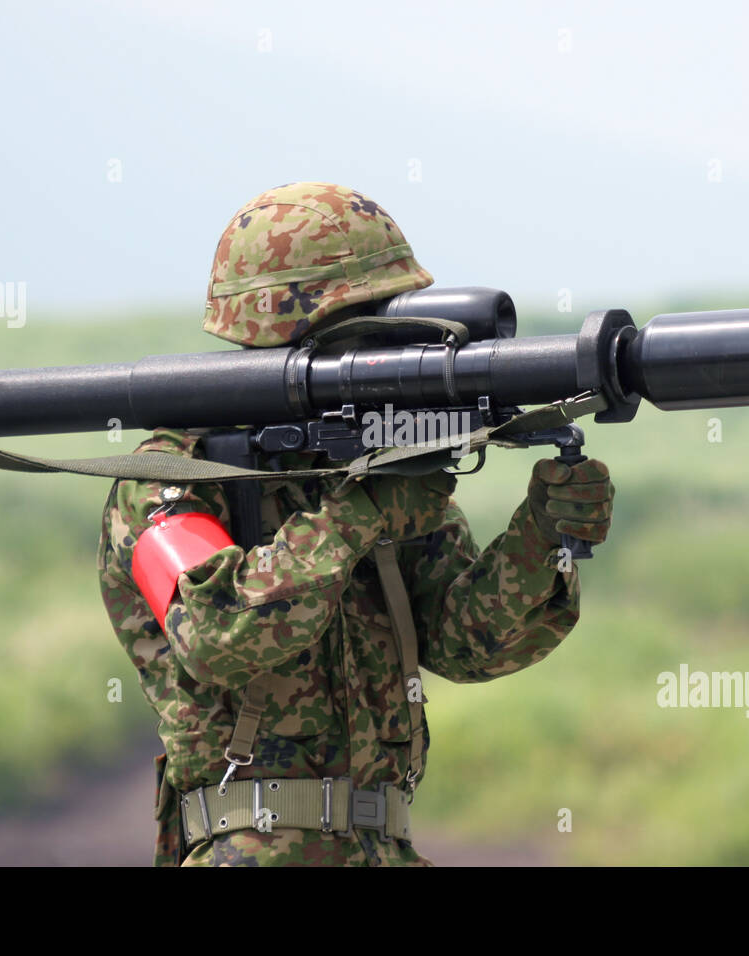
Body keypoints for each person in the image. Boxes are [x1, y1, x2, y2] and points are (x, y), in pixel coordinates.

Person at [97, 182, 614, 866]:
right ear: (285, 326)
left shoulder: (367, 474)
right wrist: (356, 517)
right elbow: (219, 634)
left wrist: (541, 536)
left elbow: (468, 644)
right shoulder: (169, 482)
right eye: (363, 322)